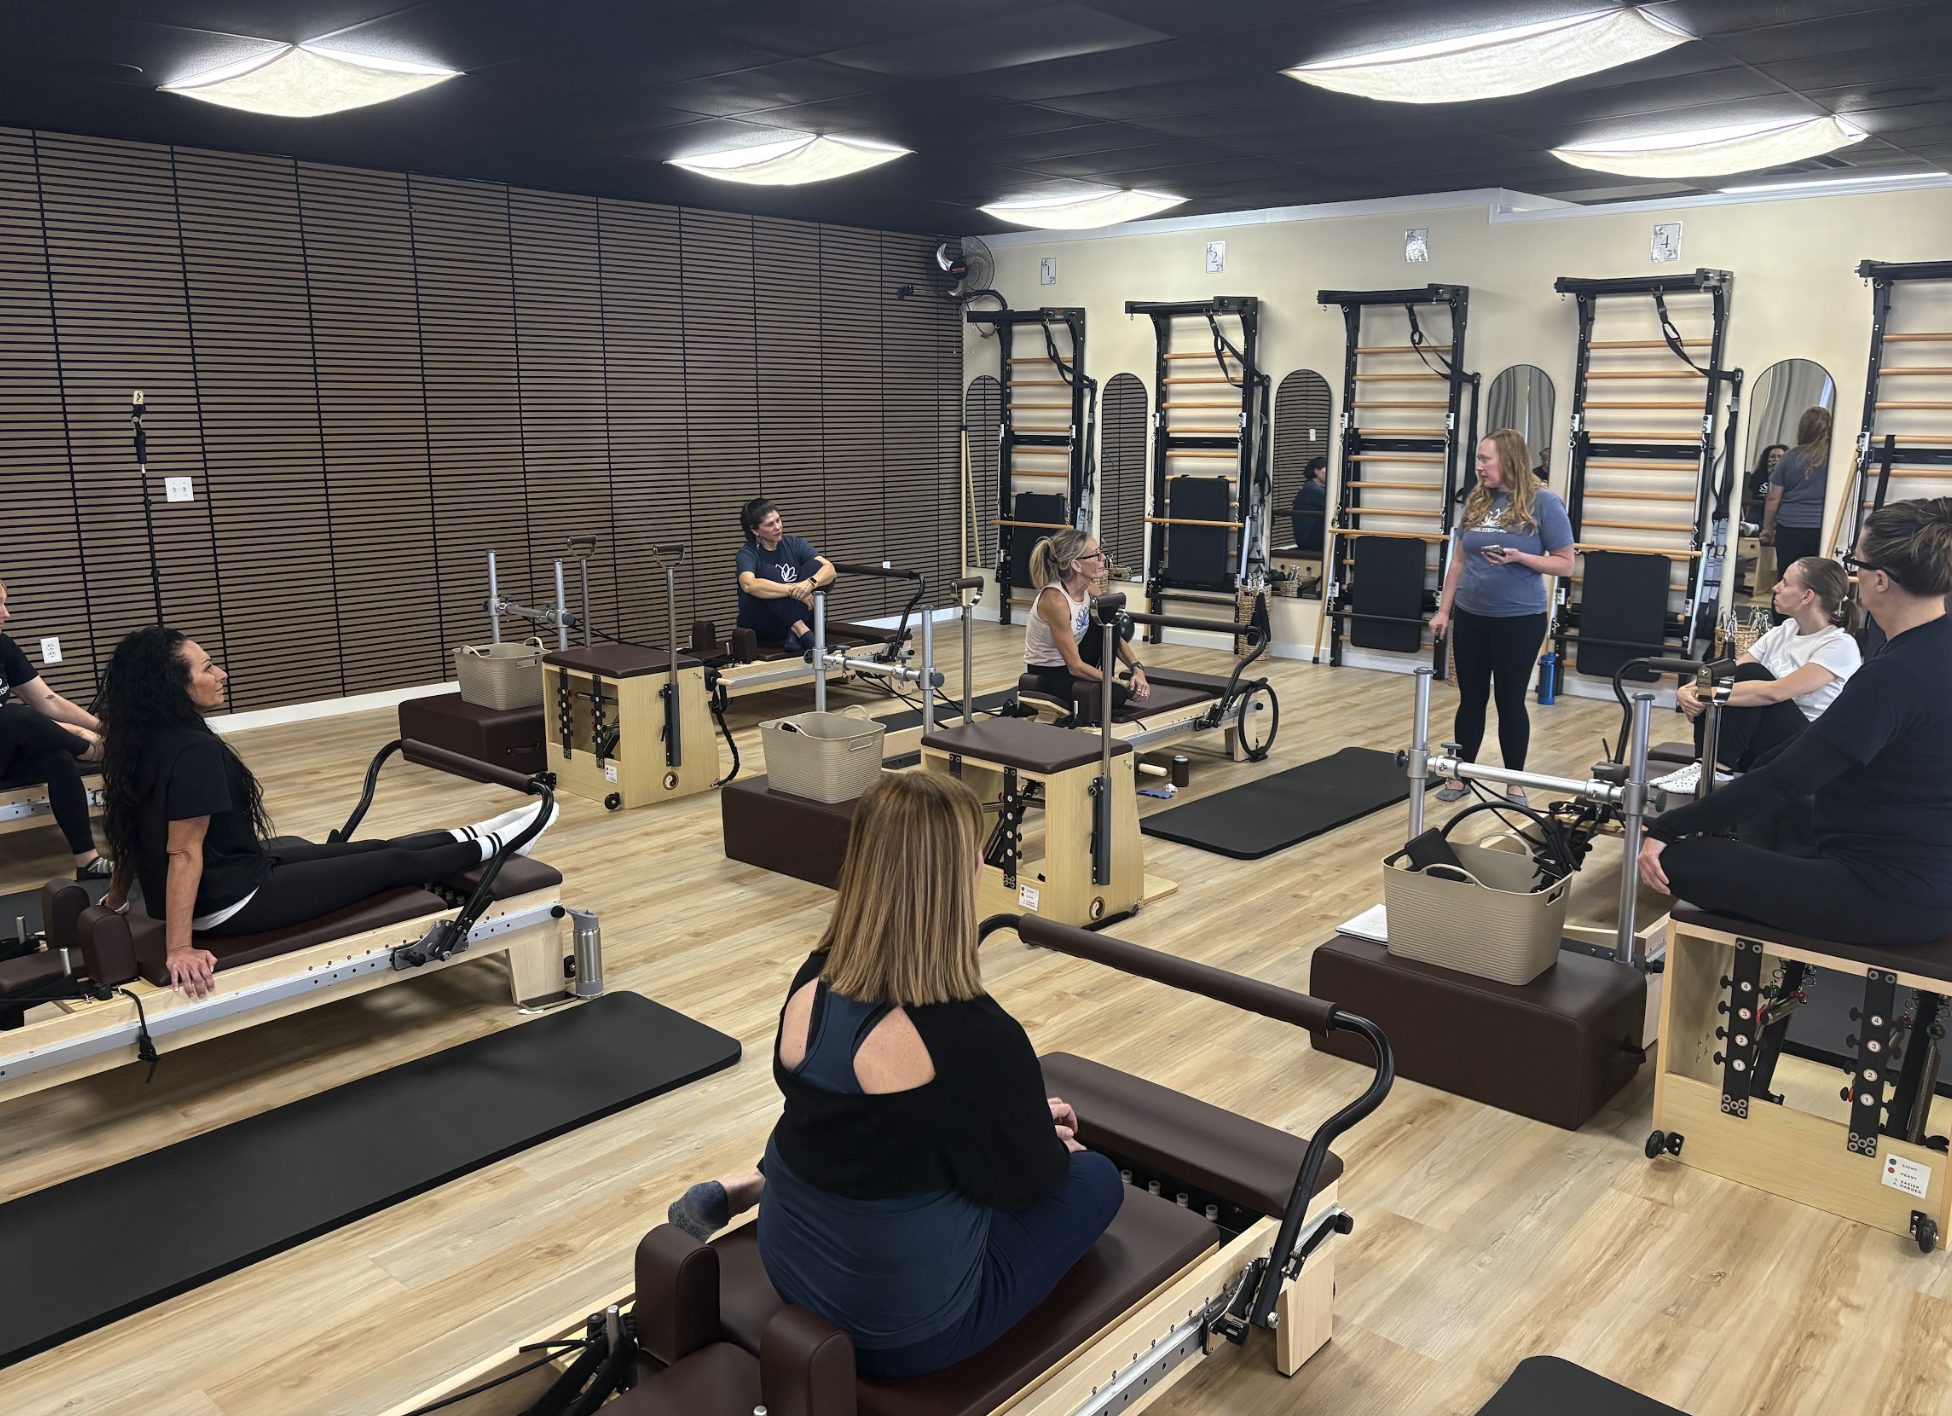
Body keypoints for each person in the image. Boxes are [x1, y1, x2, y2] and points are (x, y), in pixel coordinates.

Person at [664, 772, 1123, 1378]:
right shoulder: (977, 1037)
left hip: (787, 1268)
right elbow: (1029, 1184)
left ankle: (756, 1180)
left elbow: (874, 1126)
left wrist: (1017, 1122)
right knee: (1097, 1179)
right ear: (968, 875)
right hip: (902, 1333)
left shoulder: (813, 981)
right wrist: (1039, 1139)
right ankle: (759, 1180)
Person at [97, 628, 556, 998]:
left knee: (373, 849)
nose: (222, 673)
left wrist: (117, 898)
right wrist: (180, 948)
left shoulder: (139, 740)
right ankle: (505, 842)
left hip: (235, 872)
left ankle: (473, 834)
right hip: (229, 902)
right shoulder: (192, 750)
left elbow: (127, 831)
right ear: (172, 687)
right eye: (208, 668)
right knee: (389, 865)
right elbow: (182, 852)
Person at [1639, 498, 1952, 947]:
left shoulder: (1896, 672)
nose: (1854, 576)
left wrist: (1667, 827)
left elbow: (1786, 780)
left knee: (1682, 861)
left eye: (1856, 565)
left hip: (1894, 895)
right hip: (1917, 872)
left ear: (1880, 580)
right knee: (1775, 810)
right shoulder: (1931, 645)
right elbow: (1790, 759)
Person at [1430, 429, 1575, 804]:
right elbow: (1459, 559)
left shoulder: (1544, 502)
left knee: (1510, 701)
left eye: (1485, 459)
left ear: (1509, 460)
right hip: (1471, 616)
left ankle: (1514, 783)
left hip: (1519, 620)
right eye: (1478, 459)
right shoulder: (1479, 499)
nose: (1479, 467)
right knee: (1471, 698)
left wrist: (1521, 557)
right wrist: (1444, 611)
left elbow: (1565, 564)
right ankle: (1461, 776)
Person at [1677, 557, 1858, 772]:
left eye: (1785, 583)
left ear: (1807, 596)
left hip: (1809, 749)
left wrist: (1709, 693)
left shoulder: (1840, 644)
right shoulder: (1784, 630)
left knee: (1752, 675)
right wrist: (1689, 690)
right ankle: (1703, 765)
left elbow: (1776, 692)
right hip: (1767, 744)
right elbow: (1731, 670)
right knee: (1720, 670)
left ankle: (1716, 769)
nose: (1775, 588)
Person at [0, 577, 112, 879]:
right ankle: (86, 750)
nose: (6, 613)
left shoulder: (3, 645)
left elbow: (48, 700)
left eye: (5, 603)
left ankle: (87, 862)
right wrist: (78, 735)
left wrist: (105, 730)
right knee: (12, 716)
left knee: (58, 758)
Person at [1022, 528, 1148, 710]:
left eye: (1101, 552)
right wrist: (1120, 683)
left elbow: (1112, 634)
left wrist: (1137, 669)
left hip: (1076, 662)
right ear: (1076, 565)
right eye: (1095, 555)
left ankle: (1107, 681)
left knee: (1109, 609)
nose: (1102, 557)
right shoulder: (1055, 600)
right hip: (1051, 674)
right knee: (1117, 694)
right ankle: (1106, 684)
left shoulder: (1091, 590)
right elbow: (1075, 666)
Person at [737, 499, 835, 651]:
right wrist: (793, 591)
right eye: (770, 524)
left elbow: (830, 569)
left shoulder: (794, 544)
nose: (778, 527)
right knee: (767, 572)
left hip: (789, 622)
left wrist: (808, 584)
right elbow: (748, 584)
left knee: (816, 566)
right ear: (755, 531)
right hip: (764, 624)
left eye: (778, 520)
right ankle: (802, 632)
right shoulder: (747, 552)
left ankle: (795, 633)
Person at [1760, 409, 1830, 574]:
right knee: (1818, 578)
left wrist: (1767, 528)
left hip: (1790, 527)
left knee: (1788, 575)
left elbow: (1773, 498)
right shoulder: (1834, 457)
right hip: (1822, 526)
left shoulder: (1789, 457)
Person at [1289, 456, 1328, 556]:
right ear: (1317, 471)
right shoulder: (1311, 488)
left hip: (1310, 537)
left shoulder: (1314, 487)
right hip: (1308, 539)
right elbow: (1334, 501)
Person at [1744, 443, 1787, 522]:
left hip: (1781, 508)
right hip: (1759, 507)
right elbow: (1752, 496)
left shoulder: (1790, 476)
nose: (1776, 459)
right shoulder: (1757, 475)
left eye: (1780, 456)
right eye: (1772, 457)